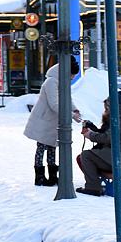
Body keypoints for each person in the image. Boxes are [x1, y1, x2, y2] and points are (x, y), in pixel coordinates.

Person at [22, 57, 79, 185]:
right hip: (44, 120)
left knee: (52, 147)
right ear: (66, 72)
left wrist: (75, 110)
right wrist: (70, 115)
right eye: (71, 75)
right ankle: (39, 177)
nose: (72, 78)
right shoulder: (51, 82)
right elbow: (54, 104)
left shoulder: (62, 81)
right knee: (41, 147)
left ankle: (53, 175)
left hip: (53, 121)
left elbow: (67, 98)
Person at [78, 98, 121, 196]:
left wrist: (90, 135)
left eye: (106, 108)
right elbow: (109, 134)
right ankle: (94, 183)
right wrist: (93, 129)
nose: (105, 110)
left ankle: (93, 187)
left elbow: (107, 138)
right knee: (85, 156)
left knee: (86, 156)